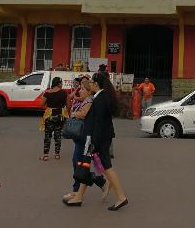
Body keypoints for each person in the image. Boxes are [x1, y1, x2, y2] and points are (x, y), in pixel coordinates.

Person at [65, 72, 128, 211]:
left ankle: (121, 197)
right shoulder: (102, 96)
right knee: (87, 165)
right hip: (100, 137)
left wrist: (93, 141)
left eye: (92, 82)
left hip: (98, 138)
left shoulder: (100, 99)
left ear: (96, 84)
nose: (90, 85)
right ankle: (79, 196)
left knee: (106, 167)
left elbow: (99, 122)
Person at [62, 79, 108, 204]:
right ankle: (100, 182)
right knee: (81, 163)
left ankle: (77, 190)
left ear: (88, 91)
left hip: (84, 136)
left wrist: (74, 114)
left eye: (82, 88)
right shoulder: (85, 100)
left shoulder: (89, 100)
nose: (80, 90)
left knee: (79, 163)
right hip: (81, 136)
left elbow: (84, 114)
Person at [39, 76, 68, 160]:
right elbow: (67, 105)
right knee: (58, 134)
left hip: (49, 115)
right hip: (60, 115)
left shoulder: (47, 93)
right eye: (61, 83)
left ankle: (45, 155)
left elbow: (41, 104)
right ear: (58, 83)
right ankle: (57, 154)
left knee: (48, 135)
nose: (62, 84)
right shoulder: (64, 93)